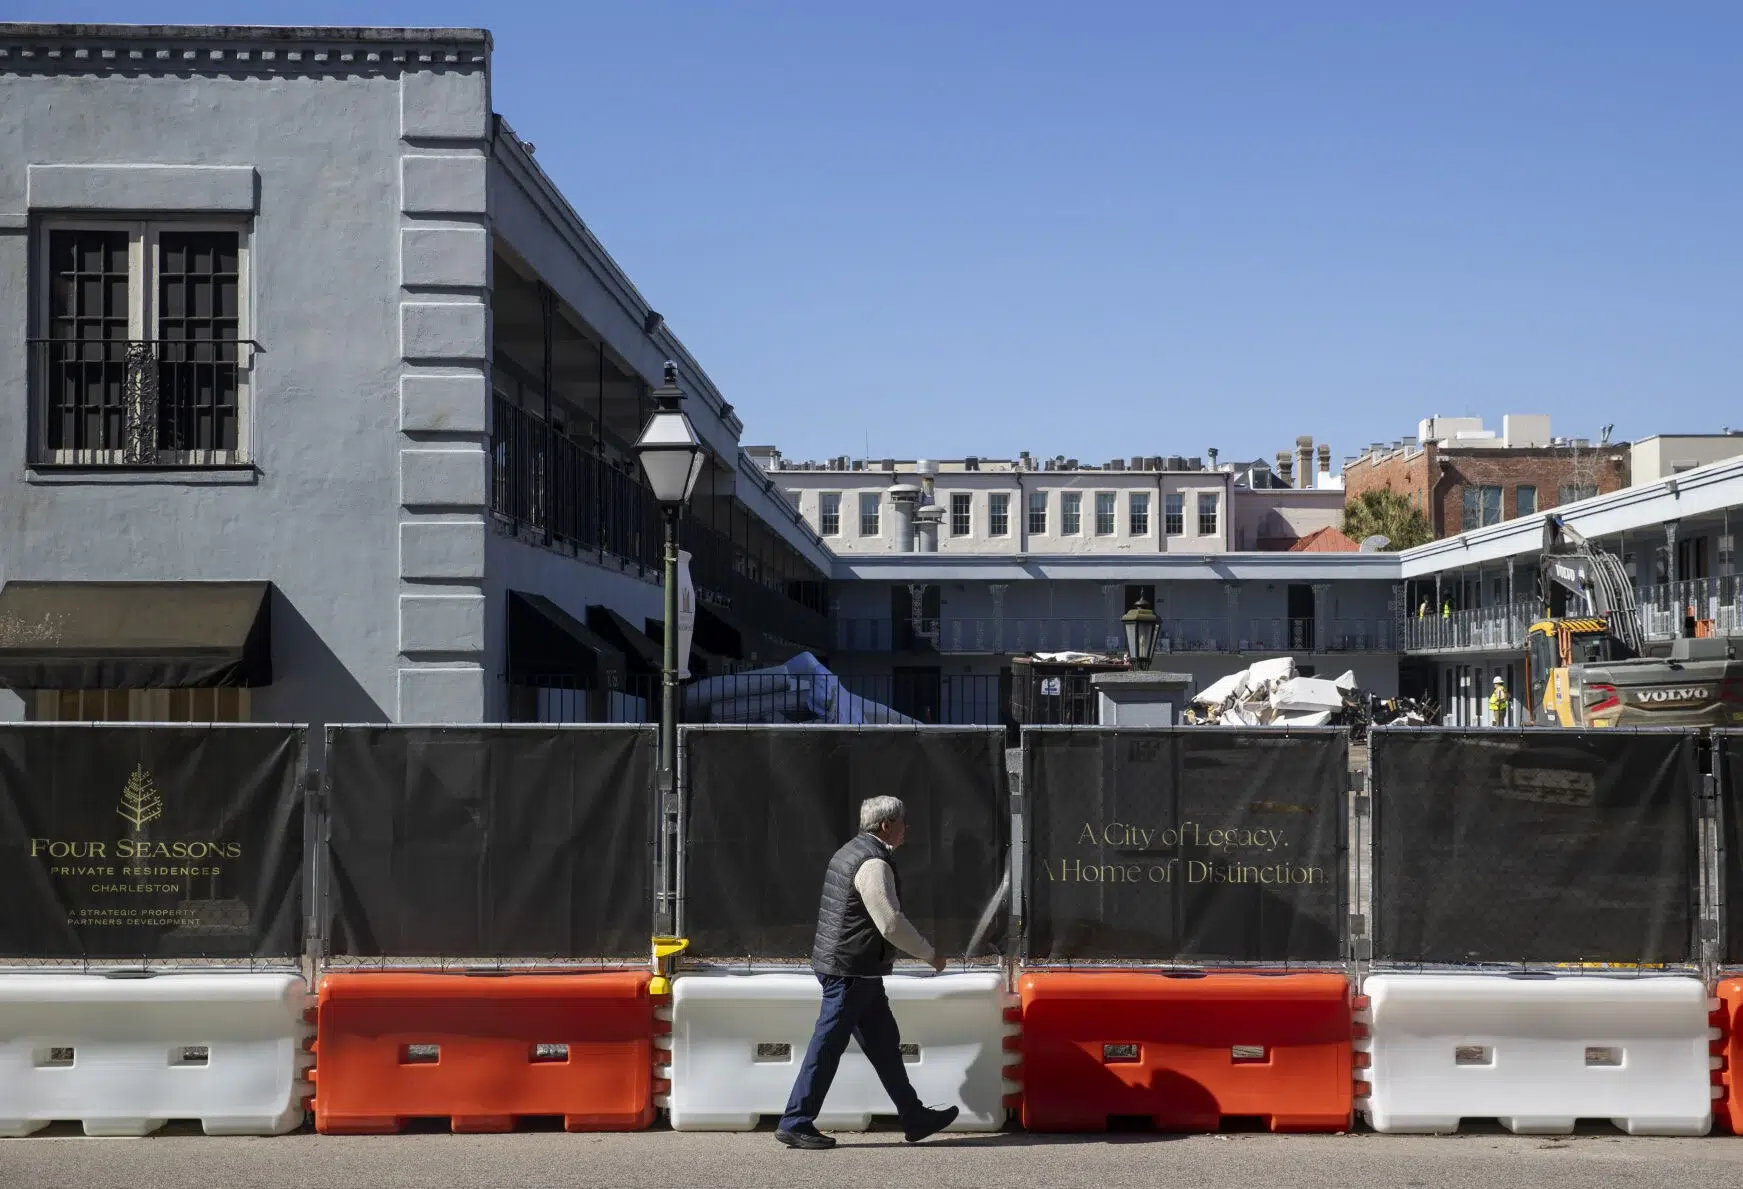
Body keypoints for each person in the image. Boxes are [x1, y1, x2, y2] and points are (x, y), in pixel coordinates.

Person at [776, 796, 960, 1151]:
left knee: (883, 1043)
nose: (908, 828)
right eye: (903, 821)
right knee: (827, 1045)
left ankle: (913, 1115)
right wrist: (929, 954)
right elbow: (890, 923)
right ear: (886, 825)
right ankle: (795, 1120)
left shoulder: (851, 851)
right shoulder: (874, 863)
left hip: (853, 968)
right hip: (851, 971)